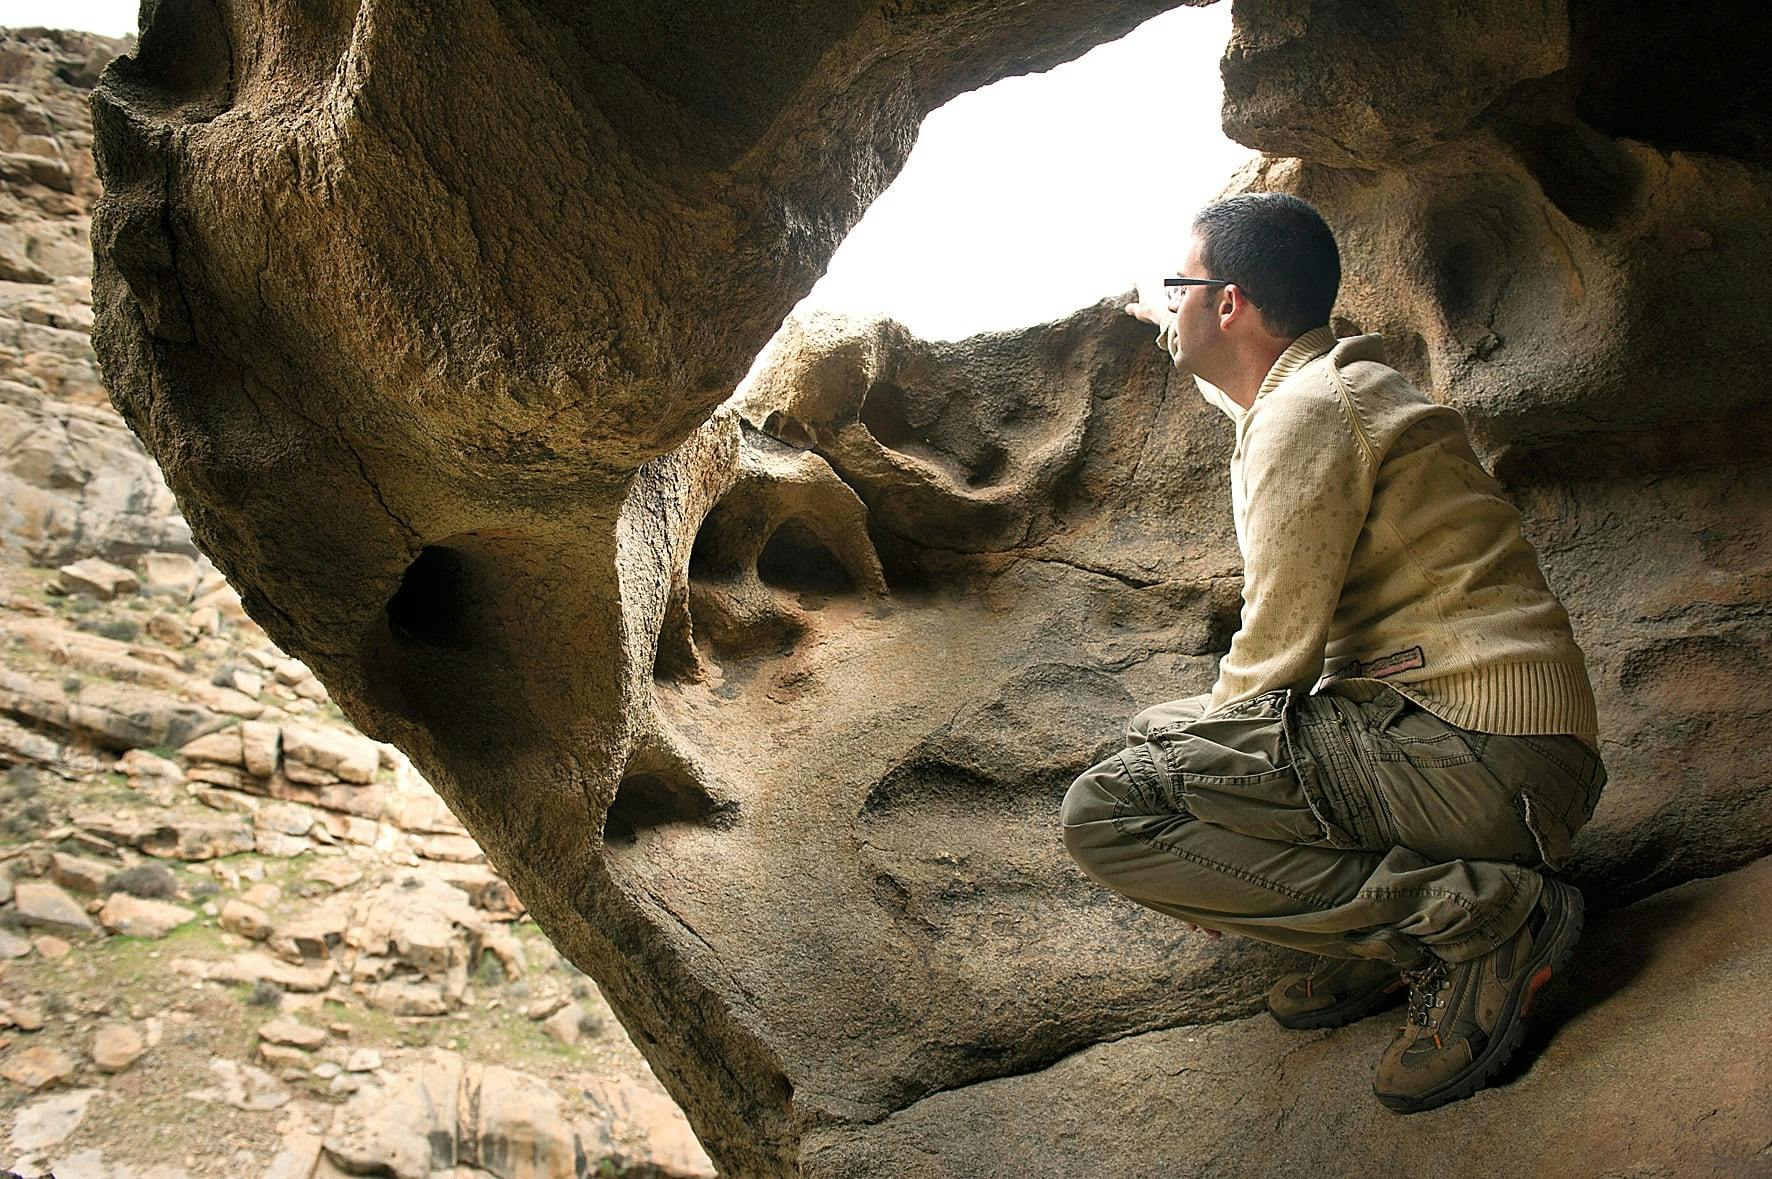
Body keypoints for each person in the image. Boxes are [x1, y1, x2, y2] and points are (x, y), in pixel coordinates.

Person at [1059, 192, 1605, 1113]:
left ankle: (1473, 923)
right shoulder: (1321, 386)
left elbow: (1274, 667)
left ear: (1228, 304)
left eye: (1177, 290)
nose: (1170, 308)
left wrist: (1191, 828)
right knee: (1164, 739)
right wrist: (1157, 314)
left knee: (1111, 806)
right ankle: (1390, 938)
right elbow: (1234, 384)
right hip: (1499, 754)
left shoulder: (1307, 413)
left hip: (1475, 755)